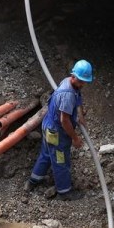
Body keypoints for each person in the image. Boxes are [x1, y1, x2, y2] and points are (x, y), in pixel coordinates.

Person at [25, 60, 93, 201]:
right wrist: (75, 138)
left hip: (48, 127)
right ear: (73, 76)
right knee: (61, 160)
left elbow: (78, 97)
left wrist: (80, 115)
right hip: (57, 132)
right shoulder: (67, 95)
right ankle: (64, 192)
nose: (82, 84)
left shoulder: (69, 82)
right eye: (81, 81)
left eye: (84, 82)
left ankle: (33, 181)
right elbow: (64, 120)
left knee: (47, 154)